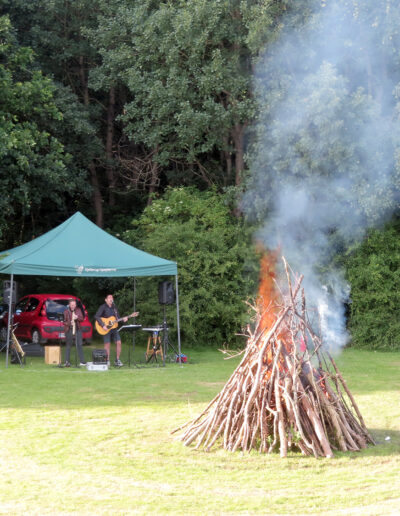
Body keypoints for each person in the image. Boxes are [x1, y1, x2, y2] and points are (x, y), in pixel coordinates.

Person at [95, 294, 137, 367]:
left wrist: (124, 319)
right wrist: (103, 325)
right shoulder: (103, 307)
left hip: (114, 328)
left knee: (118, 342)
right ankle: (107, 360)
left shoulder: (114, 308)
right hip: (105, 328)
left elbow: (118, 319)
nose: (111, 299)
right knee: (107, 344)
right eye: (109, 298)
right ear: (106, 300)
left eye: (112, 298)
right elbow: (97, 316)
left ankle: (117, 360)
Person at [63, 298, 86, 367]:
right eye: (72, 305)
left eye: (74, 305)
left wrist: (77, 318)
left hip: (77, 329)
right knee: (68, 345)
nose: (73, 306)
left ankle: (82, 361)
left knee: (79, 345)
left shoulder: (78, 310)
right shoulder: (66, 312)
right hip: (69, 329)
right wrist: (70, 323)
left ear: (76, 305)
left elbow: (82, 318)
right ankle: (67, 361)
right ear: (69, 305)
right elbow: (64, 322)